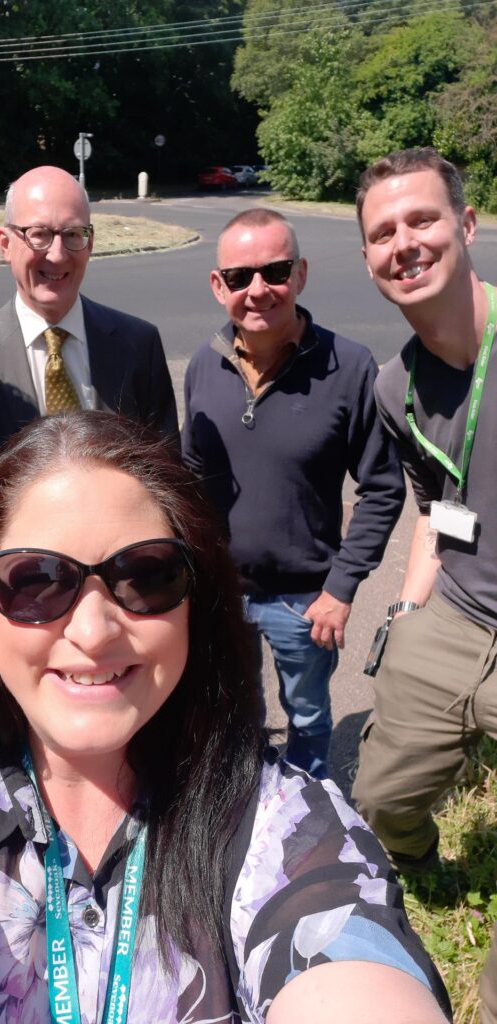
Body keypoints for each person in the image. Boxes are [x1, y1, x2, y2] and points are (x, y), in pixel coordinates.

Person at [0, 412, 450, 1024]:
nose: (94, 629)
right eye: (36, 581)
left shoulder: (278, 821)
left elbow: (345, 953)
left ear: (196, 603)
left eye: (146, 575)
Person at [351, 147, 497, 1024]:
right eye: (382, 232)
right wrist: (407, 612)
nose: (403, 243)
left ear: (467, 225)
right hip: (459, 611)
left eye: (422, 220)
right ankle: (428, 870)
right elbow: (438, 505)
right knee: (380, 800)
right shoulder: (394, 387)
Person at [182, 209, 405, 778]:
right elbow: (188, 475)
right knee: (236, 710)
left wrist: (341, 586)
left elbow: (381, 489)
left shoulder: (349, 367)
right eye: (239, 277)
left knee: (306, 715)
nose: (258, 290)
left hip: (306, 602)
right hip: (220, 591)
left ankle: (309, 804)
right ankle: (253, 799)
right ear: (217, 286)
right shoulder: (205, 365)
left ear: (300, 274)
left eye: (275, 271)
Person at [0, 164, 177, 513]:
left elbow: (166, 478)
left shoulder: (139, 345)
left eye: (72, 234)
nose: (58, 254)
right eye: (39, 234)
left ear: (90, 242)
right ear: (5, 243)